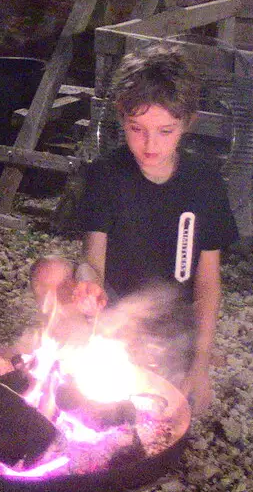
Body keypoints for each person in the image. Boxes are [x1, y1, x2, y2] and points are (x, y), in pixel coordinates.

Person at [30, 46, 238, 417]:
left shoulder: (205, 183)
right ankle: (72, 361)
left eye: (164, 131)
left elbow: (208, 282)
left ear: (186, 123)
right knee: (50, 271)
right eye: (137, 129)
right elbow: (92, 260)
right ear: (121, 118)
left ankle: (165, 361)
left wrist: (202, 361)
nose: (150, 144)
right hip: (111, 309)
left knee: (168, 406)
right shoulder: (105, 175)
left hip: (168, 320)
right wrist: (86, 284)